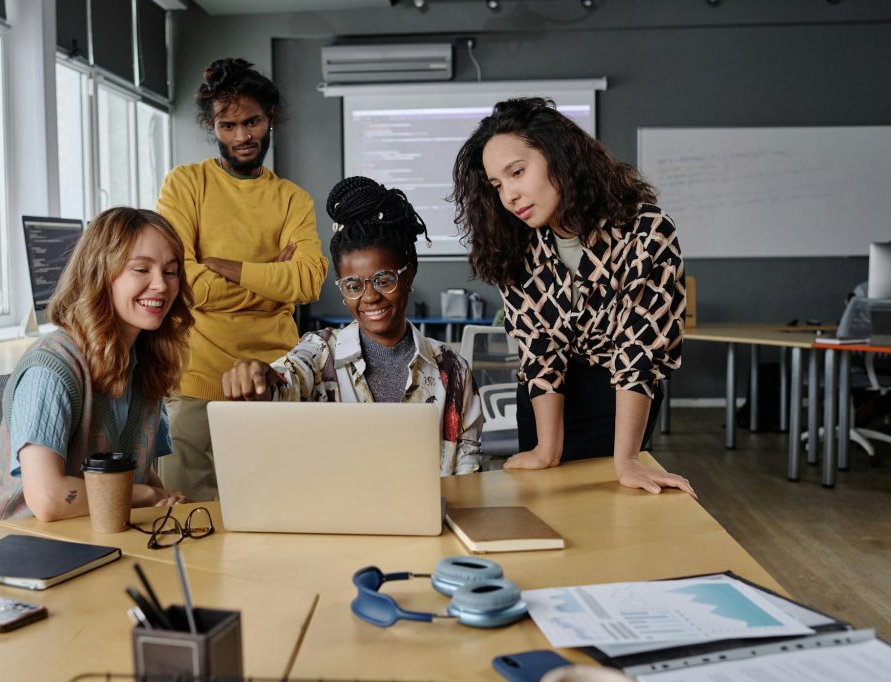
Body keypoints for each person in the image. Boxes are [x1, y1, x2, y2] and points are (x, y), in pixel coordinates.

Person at [451, 97, 695, 497]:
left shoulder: (646, 229)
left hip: (619, 396)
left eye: (517, 172)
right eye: (498, 185)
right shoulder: (514, 244)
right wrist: (547, 449)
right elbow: (540, 348)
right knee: (547, 507)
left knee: (613, 513)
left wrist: (628, 461)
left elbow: (638, 350)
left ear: (558, 156)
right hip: (546, 399)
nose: (509, 195)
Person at [0, 207, 195, 547]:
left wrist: (163, 496)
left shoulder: (146, 364)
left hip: (80, 546)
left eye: (171, 271)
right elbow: (48, 497)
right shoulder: (51, 369)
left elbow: (137, 471)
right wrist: (146, 495)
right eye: (141, 269)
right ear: (101, 274)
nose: (161, 285)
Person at [221, 176, 483, 476]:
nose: (370, 296)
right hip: (338, 519)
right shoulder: (321, 353)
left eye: (384, 279)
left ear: (408, 276)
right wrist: (262, 379)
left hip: (433, 521)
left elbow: (468, 469)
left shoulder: (452, 370)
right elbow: (287, 381)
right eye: (353, 285)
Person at [156, 57, 328, 501]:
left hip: (276, 379)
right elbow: (181, 282)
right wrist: (270, 276)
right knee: (189, 523)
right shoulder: (185, 185)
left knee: (279, 515)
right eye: (227, 125)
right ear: (213, 126)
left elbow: (308, 281)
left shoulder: (292, 199)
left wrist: (228, 267)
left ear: (269, 117)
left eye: (251, 122)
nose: (241, 136)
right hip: (197, 384)